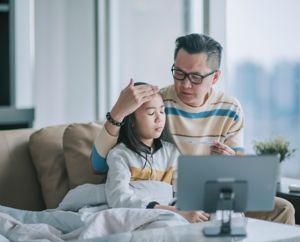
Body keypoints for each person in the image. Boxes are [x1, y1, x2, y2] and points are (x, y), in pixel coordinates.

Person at [91, 33, 295, 225]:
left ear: (215, 78)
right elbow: (99, 165)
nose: (185, 84)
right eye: (179, 73)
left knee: (283, 208)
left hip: (215, 194)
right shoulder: (160, 104)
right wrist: (117, 113)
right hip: (173, 197)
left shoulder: (230, 110)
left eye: (196, 77)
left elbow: (237, 177)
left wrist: (231, 161)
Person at [105, 84, 209, 223]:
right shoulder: (120, 155)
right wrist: (175, 211)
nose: (159, 119)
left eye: (162, 111)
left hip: (173, 213)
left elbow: (181, 193)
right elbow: (118, 197)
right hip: (137, 215)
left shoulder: (172, 152)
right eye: (151, 113)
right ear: (132, 121)